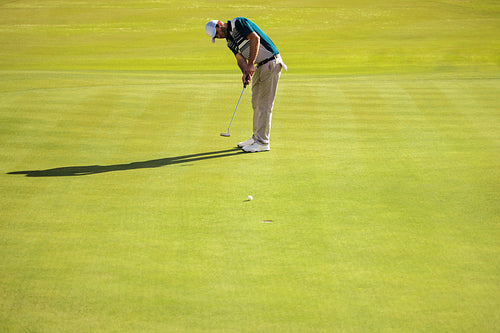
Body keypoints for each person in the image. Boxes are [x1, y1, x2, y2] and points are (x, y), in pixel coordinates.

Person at [205, 17, 287, 152]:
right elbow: (240, 58)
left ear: (220, 24)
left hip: (271, 62)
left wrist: (250, 65)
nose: (218, 37)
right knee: (256, 103)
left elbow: (255, 39)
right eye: (216, 37)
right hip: (260, 66)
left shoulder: (238, 23)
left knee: (264, 104)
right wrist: (245, 72)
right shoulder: (229, 42)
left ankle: (263, 142)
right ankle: (256, 137)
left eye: (217, 33)